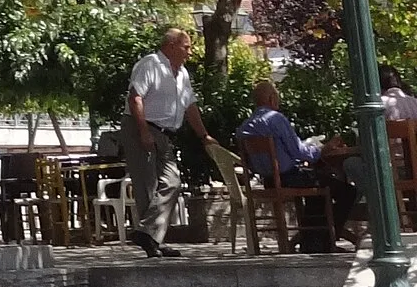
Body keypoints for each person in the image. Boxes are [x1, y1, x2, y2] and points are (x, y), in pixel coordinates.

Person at [237, 80, 362, 243]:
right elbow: (299, 151)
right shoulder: (276, 119)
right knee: (347, 192)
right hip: (289, 177)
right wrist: (323, 150)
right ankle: (324, 240)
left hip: (268, 180)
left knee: (316, 192)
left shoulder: (245, 127)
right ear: (273, 98)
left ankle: (311, 242)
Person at [125, 28, 213, 258]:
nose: (190, 52)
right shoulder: (151, 64)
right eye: (187, 46)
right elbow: (135, 98)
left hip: (164, 133)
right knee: (147, 186)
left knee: (172, 182)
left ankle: (147, 233)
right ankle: (153, 241)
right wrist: (143, 132)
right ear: (171, 45)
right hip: (141, 127)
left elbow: (190, 107)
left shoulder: (182, 73)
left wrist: (204, 136)